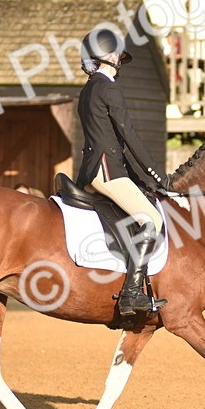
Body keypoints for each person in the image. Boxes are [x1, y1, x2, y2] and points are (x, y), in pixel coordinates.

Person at [75, 28, 168, 316]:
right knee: (151, 218)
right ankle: (130, 295)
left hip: (91, 170)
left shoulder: (88, 89)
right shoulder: (109, 88)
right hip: (107, 171)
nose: (119, 59)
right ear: (110, 55)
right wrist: (158, 176)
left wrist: (140, 180)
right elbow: (129, 137)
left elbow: (106, 139)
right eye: (116, 54)